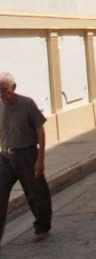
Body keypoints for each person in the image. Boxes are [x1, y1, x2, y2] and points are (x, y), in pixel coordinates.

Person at [0, 72, 52, 243]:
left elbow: (40, 131)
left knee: (36, 193)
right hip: (6, 157)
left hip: (27, 155)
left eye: (5, 90)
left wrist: (40, 159)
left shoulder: (27, 104)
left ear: (13, 88)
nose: (2, 94)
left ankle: (42, 226)